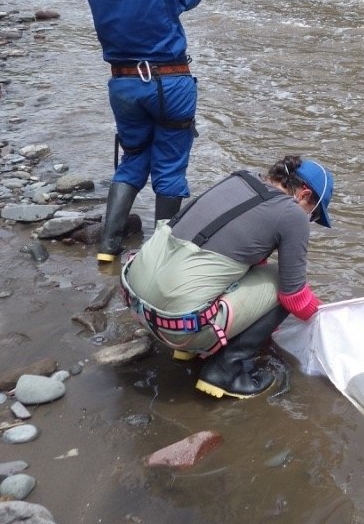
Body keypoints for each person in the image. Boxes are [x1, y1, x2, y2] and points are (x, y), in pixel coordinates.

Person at [120, 154, 334, 399]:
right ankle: (226, 370)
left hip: (137, 301)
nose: (310, 220)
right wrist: (325, 315)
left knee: (238, 266)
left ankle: (191, 350)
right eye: (314, 214)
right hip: (175, 326)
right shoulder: (292, 214)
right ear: (304, 195)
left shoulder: (239, 179)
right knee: (281, 279)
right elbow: (294, 298)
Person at [86, 0, 204, 266]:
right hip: (170, 84)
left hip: (123, 87)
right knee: (169, 164)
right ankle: (160, 253)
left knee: (134, 156)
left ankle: (109, 243)